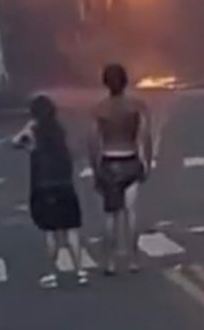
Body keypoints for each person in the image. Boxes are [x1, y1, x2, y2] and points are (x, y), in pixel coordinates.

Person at [13, 95, 88, 288]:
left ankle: (52, 274)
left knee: (51, 232)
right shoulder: (60, 131)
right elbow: (74, 151)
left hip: (43, 185)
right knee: (72, 228)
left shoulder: (34, 133)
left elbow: (16, 142)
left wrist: (29, 125)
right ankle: (80, 271)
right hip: (64, 182)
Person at [90, 63, 155, 275]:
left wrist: (95, 167)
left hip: (109, 161)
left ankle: (109, 262)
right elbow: (145, 136)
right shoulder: (136, 106)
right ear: (125, 82)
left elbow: (93, 141)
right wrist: (147, 160)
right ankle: (133, 259)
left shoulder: (99, 109)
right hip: (130, 159)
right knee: (131, 213)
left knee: (111, 215)